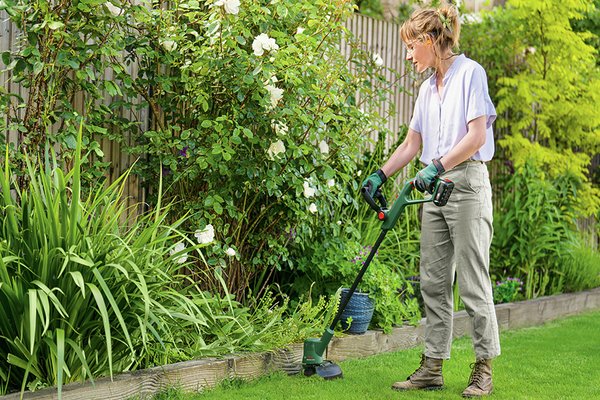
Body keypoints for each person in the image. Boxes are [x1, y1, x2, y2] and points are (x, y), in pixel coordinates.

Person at [361, 2, 500, 398]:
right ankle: (432, 367)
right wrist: (381, 174)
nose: (407, 55)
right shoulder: (425, 88)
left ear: (429, 40)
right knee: (434, 283)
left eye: (411, 46)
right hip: (432, 187)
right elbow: (411, 143)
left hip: (466, 182)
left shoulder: (471, 74)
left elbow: (475, 137)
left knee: (473, 282)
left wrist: (438, 165)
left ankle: (483, 369)